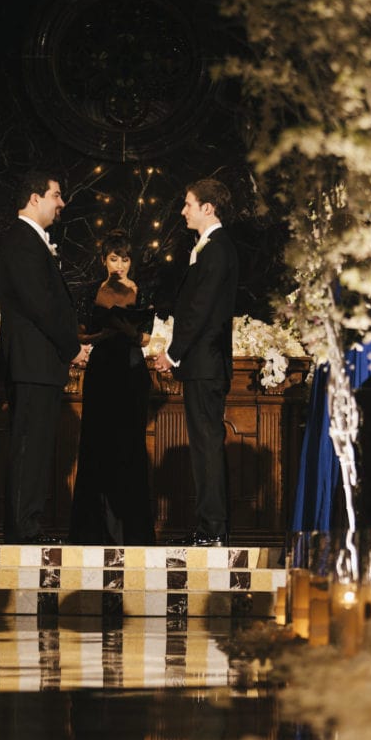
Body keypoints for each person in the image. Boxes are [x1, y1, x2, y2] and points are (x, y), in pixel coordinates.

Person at [0, 171, 89, 544]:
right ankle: (23, 530)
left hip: (39, 364)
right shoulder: (22, 241)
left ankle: (27, 524)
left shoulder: (31, 242)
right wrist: (72, 347)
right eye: (56, 194)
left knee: (35, 447)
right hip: (32, 364)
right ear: (34, 199)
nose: (62, 202)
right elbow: (40, 304)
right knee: (29, 448)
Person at [154, 179, 238, 546]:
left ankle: (213, 530)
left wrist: (173, 353)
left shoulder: (217, 250)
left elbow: (200, 309)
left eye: (188, 204)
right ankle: (209, 527)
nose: (183, 210)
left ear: (209, 208)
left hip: (205, 363)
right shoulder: (209, 249)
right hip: (204, 363)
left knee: (206, 446)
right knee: (204, 446)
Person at [69, 230, 155, 544]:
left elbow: (146, 337)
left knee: (129, 446)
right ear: (104, 260)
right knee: (96, 446)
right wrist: (101, 335)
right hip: (102, 370)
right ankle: (93, 530)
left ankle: (130, 531)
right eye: (113, 258)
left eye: (125, 258)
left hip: (131, 371)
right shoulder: (90, 290)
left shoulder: (142, 290)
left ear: (132, 261)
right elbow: (79, 333)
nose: (119, 264)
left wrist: (127, 330)